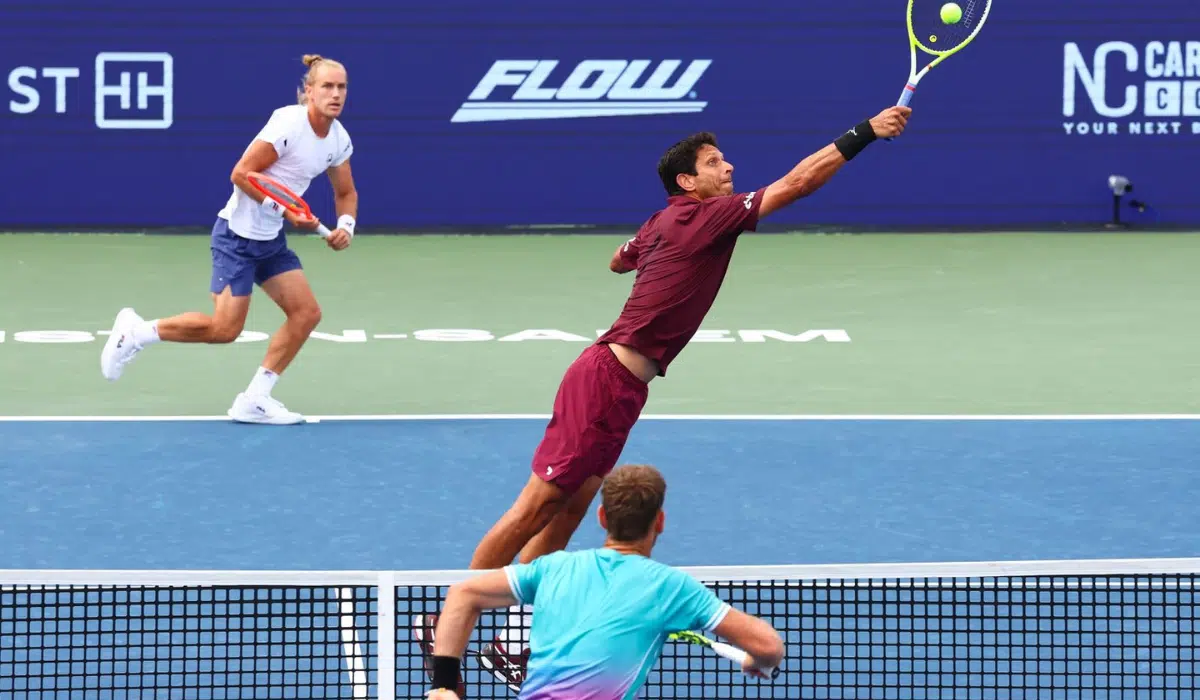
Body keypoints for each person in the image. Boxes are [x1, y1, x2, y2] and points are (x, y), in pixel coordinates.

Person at [420, 104, 911, 686]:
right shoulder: (706, 217)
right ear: (688, 182)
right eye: (714, 163)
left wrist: (651, 249)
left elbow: (615, 260)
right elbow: (798, 183)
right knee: (537, 504)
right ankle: (451, 616)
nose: (727, 168)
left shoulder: (665, 221)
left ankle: (519, 634)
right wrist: (865, 133)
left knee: (572, 507)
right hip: (602, 379)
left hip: (623, 387)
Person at [99, 54, 358, 425]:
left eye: (342, 87)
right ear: (308, 92)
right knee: (224, 330)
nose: (336, 94)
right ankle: (137, 333)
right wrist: (286, 212)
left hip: (269, 243)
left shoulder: (338, 139)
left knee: (306, 314)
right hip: (236, 237)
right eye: (327, 86)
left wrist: (345, 226)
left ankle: (255, 399)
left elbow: (346, 192)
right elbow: (241, 174)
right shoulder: (288, 124)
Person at [422, 464, 785, 700]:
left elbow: (463, 593)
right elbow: (769, 645)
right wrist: (755, 657)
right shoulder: (670, 589)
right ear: (659, 522)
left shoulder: (553, 568)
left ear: (600, 516)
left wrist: (443, 684)